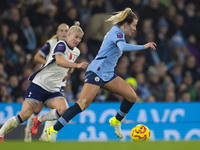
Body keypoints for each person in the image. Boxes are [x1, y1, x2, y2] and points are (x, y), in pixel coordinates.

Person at [45, 8, 156, 142]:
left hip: (107, 74)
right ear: (125, 24)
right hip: (96, 71)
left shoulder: (119, 33)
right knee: (82, 104)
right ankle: (53, 130)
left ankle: (116, 121)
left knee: (132, 96)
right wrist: (144, 46)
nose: (134, 29)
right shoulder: (117, 33)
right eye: (133, 25)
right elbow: (122, 47)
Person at [0, 22, 89, 142]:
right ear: (68, 35)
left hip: (53, 88)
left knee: (63, 109)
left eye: (80, 38)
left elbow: (68, 64)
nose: (77, 40)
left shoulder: (77, 52)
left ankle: (39, 121)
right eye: (76, 36)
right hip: (40, 84)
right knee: (25, 115)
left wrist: (66, 74)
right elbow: (59, 61)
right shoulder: (61, 44)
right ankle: (1, 133)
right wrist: (77, 65)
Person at [24, 23, 69, 142]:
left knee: (56, 109)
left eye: (66, 31)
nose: (64, 33)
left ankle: (46, 136)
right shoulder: (51, 44)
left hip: (59, 83)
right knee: (37, 109)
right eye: (62, 30)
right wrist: (49, 63)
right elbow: (37, 57)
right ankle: (28, 131)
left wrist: (67, 72)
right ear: (57, 32)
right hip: (45, 80)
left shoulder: (71, 47)